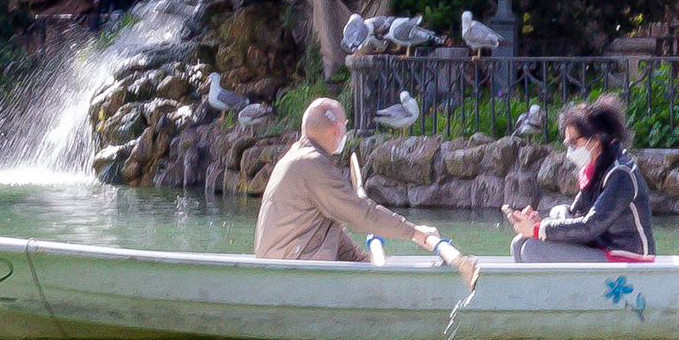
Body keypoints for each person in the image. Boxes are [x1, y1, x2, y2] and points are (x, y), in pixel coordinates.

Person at [257, 97, 475, 285]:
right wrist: (415, 232)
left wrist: (363, 264)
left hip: (285, 261)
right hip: (291, 268)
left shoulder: (297, 157)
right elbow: (361, 215)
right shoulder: (311, 164)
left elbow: (331, 227)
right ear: (337, 129)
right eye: (345, 126)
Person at [504, 95, 652, 262]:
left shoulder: (621, 174)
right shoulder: (596, 168)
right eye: (568, 144)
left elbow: (590, 226)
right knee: (519, 243)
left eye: (574, 143)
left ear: (595, 140)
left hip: (625, 256)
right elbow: (575, 215)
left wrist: (539, 229)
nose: (570, 151)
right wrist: (538, 222)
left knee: (532, 249)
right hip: (599, 247)